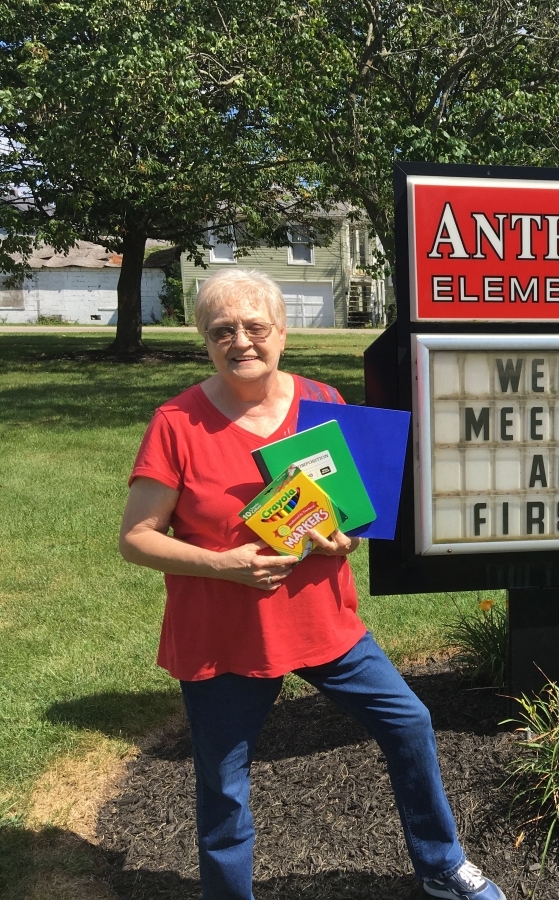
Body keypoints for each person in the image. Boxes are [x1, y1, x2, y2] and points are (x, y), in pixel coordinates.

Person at [119, 269, 505, 900]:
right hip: (226, 636)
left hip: (324, 623)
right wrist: (226, 564)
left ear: (283, 332)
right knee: (224, 787)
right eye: (222, 331)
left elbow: (350, 509)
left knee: (409, 722)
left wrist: (347, 536)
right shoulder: (177, 423)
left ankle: (442, 867)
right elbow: (136, 539)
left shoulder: (321, 400)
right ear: (205, 340)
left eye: (255, 327)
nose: (241, 342)